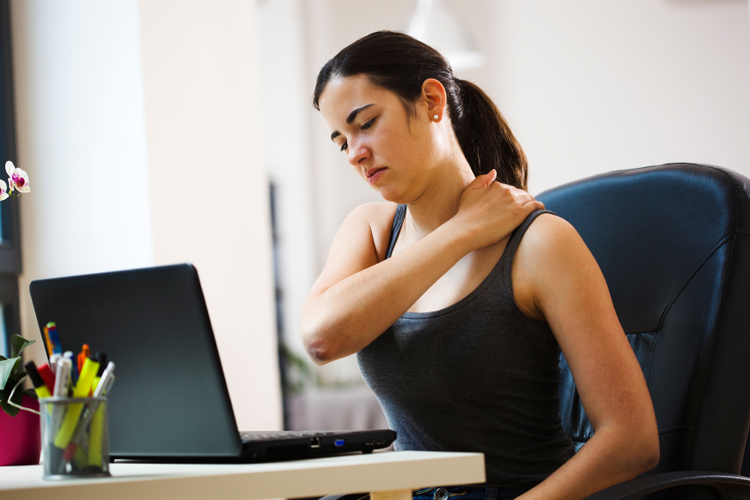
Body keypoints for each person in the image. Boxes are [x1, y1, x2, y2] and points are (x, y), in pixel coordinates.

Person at [300, 31, 659, 500]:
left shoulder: (541, 245)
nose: (355, 153)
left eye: (365, 123)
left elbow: (631, 443)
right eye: (340, 141)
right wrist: (460, 233)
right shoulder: (371, 230)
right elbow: (323, 338)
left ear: (432, 100)